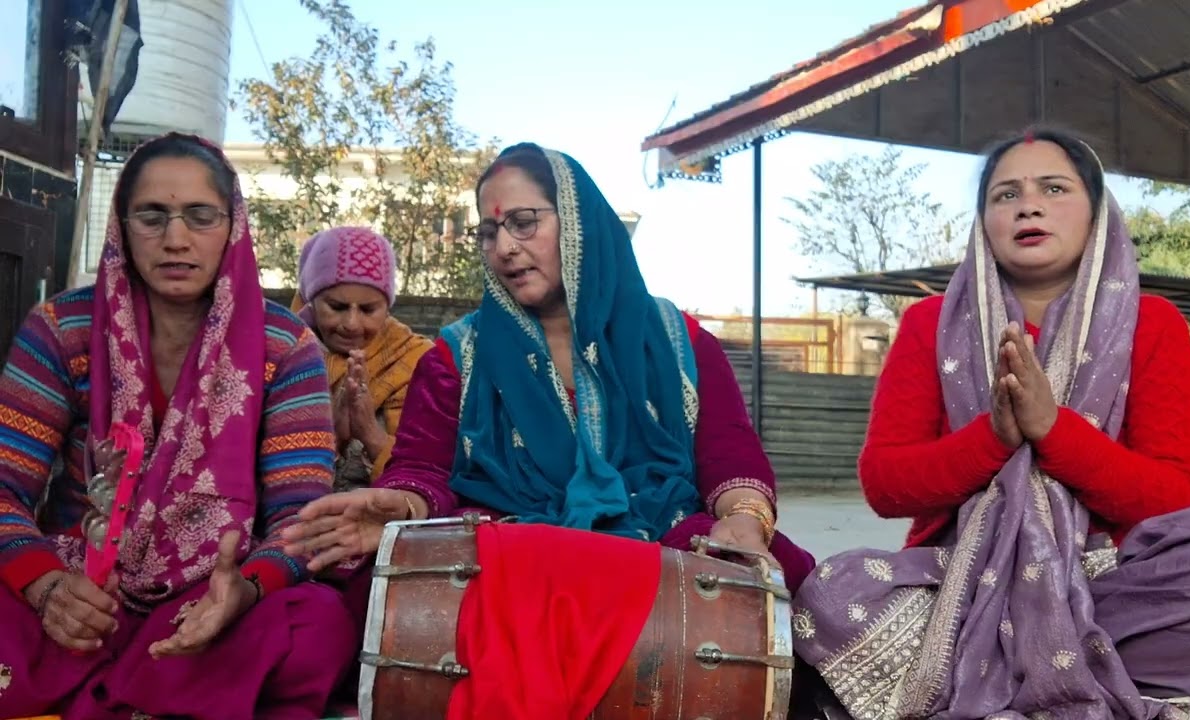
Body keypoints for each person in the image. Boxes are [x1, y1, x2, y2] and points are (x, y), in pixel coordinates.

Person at [789, 127, 1190, 720]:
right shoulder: (929, 325)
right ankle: (1082, 685)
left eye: (1053, 188)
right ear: (984, 224)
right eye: (1006, 195)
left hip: (1108, 587)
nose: (1028, 205)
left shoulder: (1153, 325)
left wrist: (1054, 431)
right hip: (956, 592)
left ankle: (1003, 683)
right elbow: (886, 484)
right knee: (827, 592)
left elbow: (1178, 496)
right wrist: (993, 438)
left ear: (1097, 213)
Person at [283, 141, 815, 584]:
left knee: (782, 581)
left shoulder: (679, 341)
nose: (503, 248)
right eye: (489, 233)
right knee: (366, 592)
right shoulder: (455, 356)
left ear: (578, 222)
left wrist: (743, 518)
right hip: (508, 542)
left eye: (523, 223)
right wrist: (403, 503)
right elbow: (423, 466)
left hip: (662, 530)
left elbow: (729, 452)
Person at [0, 133, 357, 720]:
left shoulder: (286, 347)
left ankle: (119, 691)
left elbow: (299, 516)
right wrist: (46, 588)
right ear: (122, 226)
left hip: (211, 599)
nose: (175, 239)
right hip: (82, 593)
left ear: (232, 226)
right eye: (152, 216)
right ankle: (160, 697)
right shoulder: (62, 329)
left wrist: (246, 590)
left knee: (315, 625)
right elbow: (3, 488)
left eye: (200, 215)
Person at [291, 227, 430, 490]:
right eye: (337, 307)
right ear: (311, 301)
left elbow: (429, 473)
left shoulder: (418, 362)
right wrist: (331, 436)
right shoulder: (282, 357)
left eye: (368, 309)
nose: (352, 324)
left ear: (387, 308)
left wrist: (370, 433)